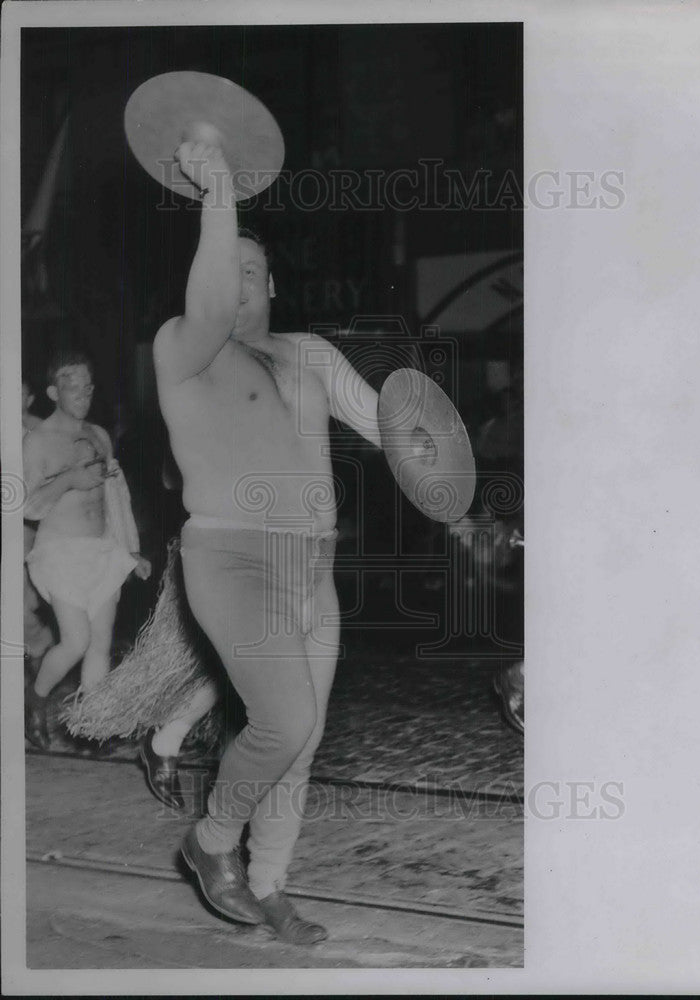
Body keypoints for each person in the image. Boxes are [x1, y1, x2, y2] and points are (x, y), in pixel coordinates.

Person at [152, 141, 381, 945]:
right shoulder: (185, 348)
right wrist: (218, 187)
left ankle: (268, 884)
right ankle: (210, 842)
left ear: (275, 284)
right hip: (235, 559)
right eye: (226, 266)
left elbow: (394, 427)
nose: (239, 280)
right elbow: (210, 302)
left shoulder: (311, 355)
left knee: (302, 740)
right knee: (281, 720)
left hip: (312, 571)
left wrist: (453, 473)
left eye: (254, 268)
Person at [22, 350, 151, 748]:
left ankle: (94, 724)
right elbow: (24, 505)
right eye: (71, 384)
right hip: (60, 551)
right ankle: (35, 699)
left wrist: (130, 550)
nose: (82, 392)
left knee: (100, 642)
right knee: (75, 641)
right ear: (52, 391)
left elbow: (116, 498)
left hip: (102, 550)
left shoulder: (99, 435)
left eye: (87, 384)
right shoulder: (38, 440)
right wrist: (68, 481)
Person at [22, 377, 54, 679]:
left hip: (30, 523)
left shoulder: (40, 430)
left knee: (27, 596)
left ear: (30, 398)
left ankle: (40, 645)